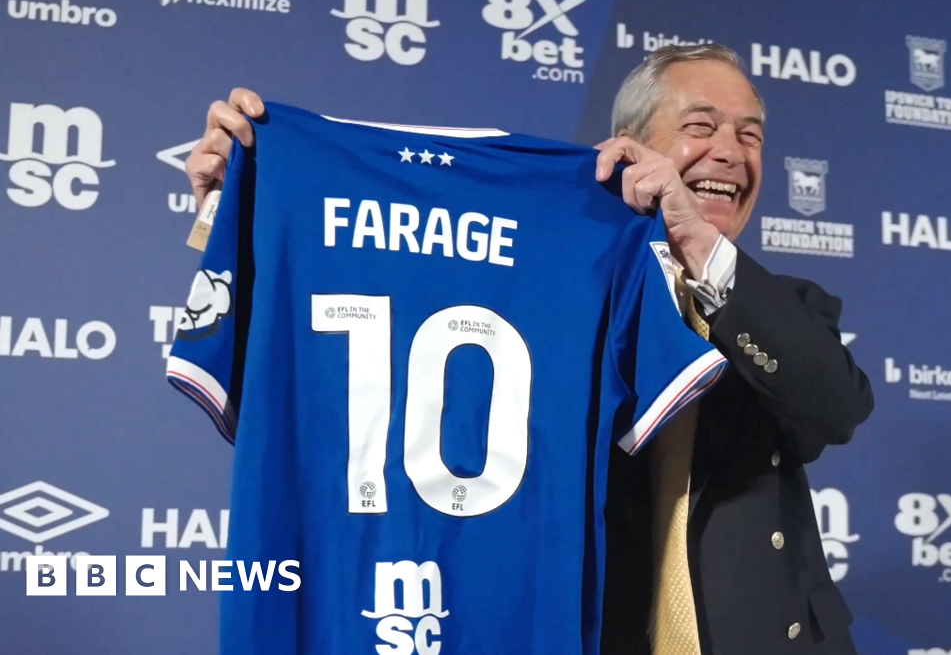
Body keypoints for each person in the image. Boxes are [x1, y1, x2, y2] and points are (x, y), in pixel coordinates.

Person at [184, 43, 873, 655]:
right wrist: (239, 214)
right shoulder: (540, 282)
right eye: (701, 126)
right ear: (627, 145)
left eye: (749, 134)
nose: (730, 150)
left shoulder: (784, 304)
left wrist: (700, 248)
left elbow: (835, 404)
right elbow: (310, 391)